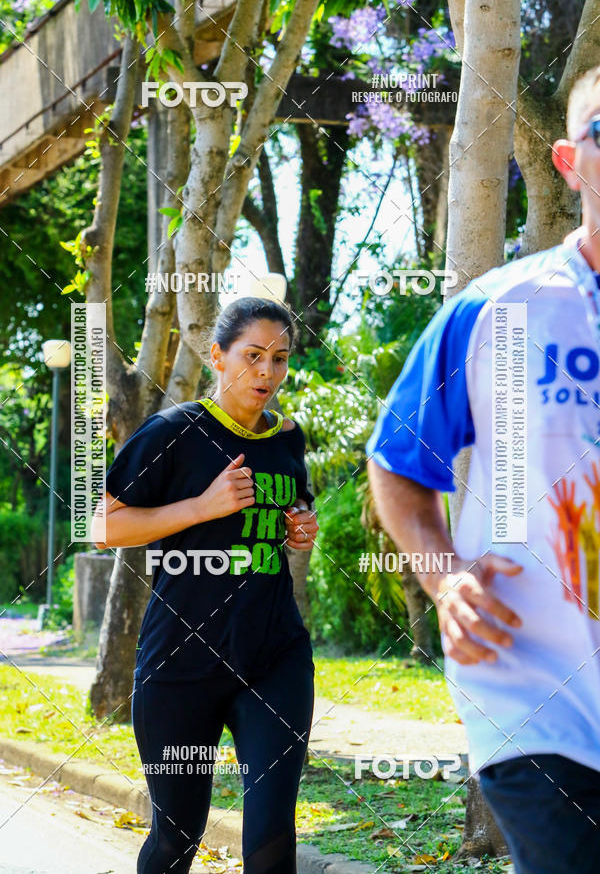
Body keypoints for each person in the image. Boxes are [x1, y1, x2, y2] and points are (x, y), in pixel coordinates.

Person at [366, 65, 600, 873]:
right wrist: (445, 580)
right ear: (571, 163)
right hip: (535, 693)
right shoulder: (501, 310)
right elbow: (399, 459)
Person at [93, 297, 318, 874]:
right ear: (217, 356)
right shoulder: (174, 431)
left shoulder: (288, 439)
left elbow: (291, 514)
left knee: (271, 838)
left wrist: (299, 530)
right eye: (252, 356)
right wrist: (199, 506)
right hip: (181, 665)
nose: (266, 372)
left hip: (274, 656)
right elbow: (105, 525)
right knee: (176, 837)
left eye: (279, 358)